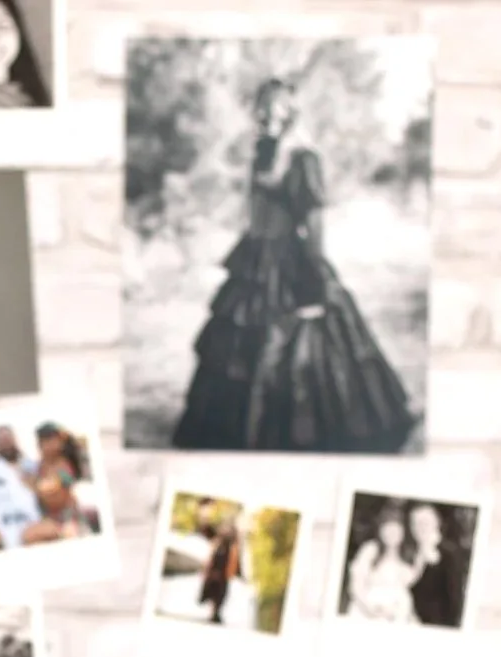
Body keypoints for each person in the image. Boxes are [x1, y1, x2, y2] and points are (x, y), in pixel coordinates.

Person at [172, 77, 419, 453]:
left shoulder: (304, 157)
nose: (268, 114)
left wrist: (314, 279)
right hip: (255, 260)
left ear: (290, 112)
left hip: (292, 260)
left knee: (307, 345)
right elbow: (251, 203)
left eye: (278, 106)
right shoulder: (261, 151)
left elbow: (313, 224)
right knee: (240, 344)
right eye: (264, 106)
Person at [343, 498, 423, 623]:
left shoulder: (408, 555)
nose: (391, 534)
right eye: (387, 529)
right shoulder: (370, 549)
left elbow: (409, 584)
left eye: (396, 530)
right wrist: (370, 609)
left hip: (397, 614)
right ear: (380, 531)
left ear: (403, 531)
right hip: (368, 611)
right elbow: (356, 584)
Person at [0, 425, 42, 550]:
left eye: (8, 439)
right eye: (2, 441)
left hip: (36, 530)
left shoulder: (31, 466)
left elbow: (44, 495)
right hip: (7, 535)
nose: (6, 444)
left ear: (15, 440)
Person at [406, 500, 465, 628]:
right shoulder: (410, 552)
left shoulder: (450, 553)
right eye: (415, 523)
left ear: (437, 522)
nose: (419, 527)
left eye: (425, 522)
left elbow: (455, 600)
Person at [197, 509, 245, 625]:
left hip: (221, 574)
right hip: (215, 572)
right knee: (215, 593)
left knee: (219, 595)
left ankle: (215, 613)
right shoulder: (219, 539)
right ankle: (214, 613)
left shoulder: (231, 544)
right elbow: (206, 530)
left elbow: (235, 561)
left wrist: (239, 574)